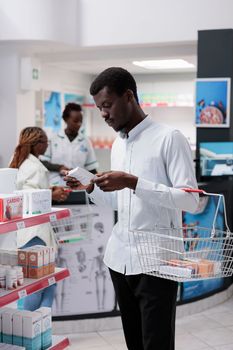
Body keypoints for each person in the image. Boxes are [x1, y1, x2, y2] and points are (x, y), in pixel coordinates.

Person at [65, 67, 199, 350]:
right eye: (99, 107)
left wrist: (134, 182)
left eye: (107, 105)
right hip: (120, 260)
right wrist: (90, 187)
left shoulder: (169, 138)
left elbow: (190, 200)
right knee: (134, 344)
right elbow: (120, 204)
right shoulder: (118, 145)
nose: (103, 114)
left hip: (157, 262)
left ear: (129, 97)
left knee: (157, 344)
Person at [9, 126, 69, 310]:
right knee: (38, 285)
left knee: (46, 283)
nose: (47, 146)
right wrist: (53, 195)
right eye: (45, 142)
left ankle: (39, 328)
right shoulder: (34, 167)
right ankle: (31, 327)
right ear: (37, 145)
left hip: (28, 233)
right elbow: (30, 197)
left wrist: (51, 192)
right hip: (35, 234)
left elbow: (27, 192)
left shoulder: (22, 163)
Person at [41, 102, 98, 185]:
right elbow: (43, 162)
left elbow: (91, 168)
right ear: (65, 119)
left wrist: (96, 182)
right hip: (57, 185)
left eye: (80, 121)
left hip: (78, 186)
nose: (79, 124)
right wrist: (59, 168)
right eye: (75, 121)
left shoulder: (85, 141)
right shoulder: (53, 139)